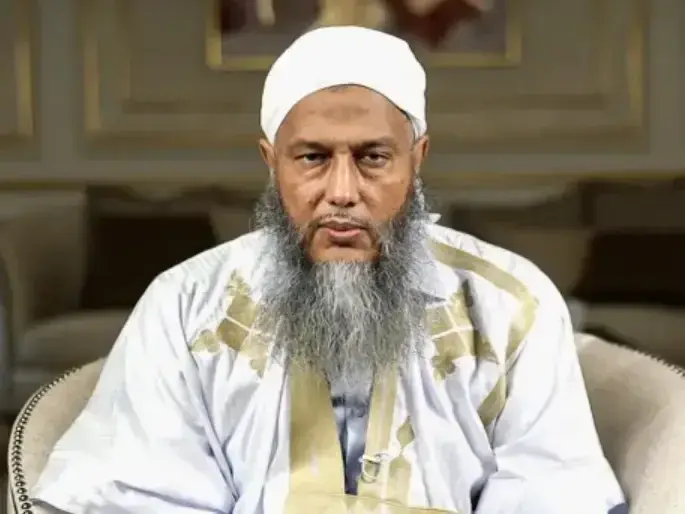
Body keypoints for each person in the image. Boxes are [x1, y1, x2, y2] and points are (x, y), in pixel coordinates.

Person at [32, 26, 627, 514]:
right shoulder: (185, 307)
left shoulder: (509, 307)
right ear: (272, 163)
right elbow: (136, 497)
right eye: (313, 158)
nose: (342, 192)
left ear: (417, 159)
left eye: (373, 157)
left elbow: (552, 495)